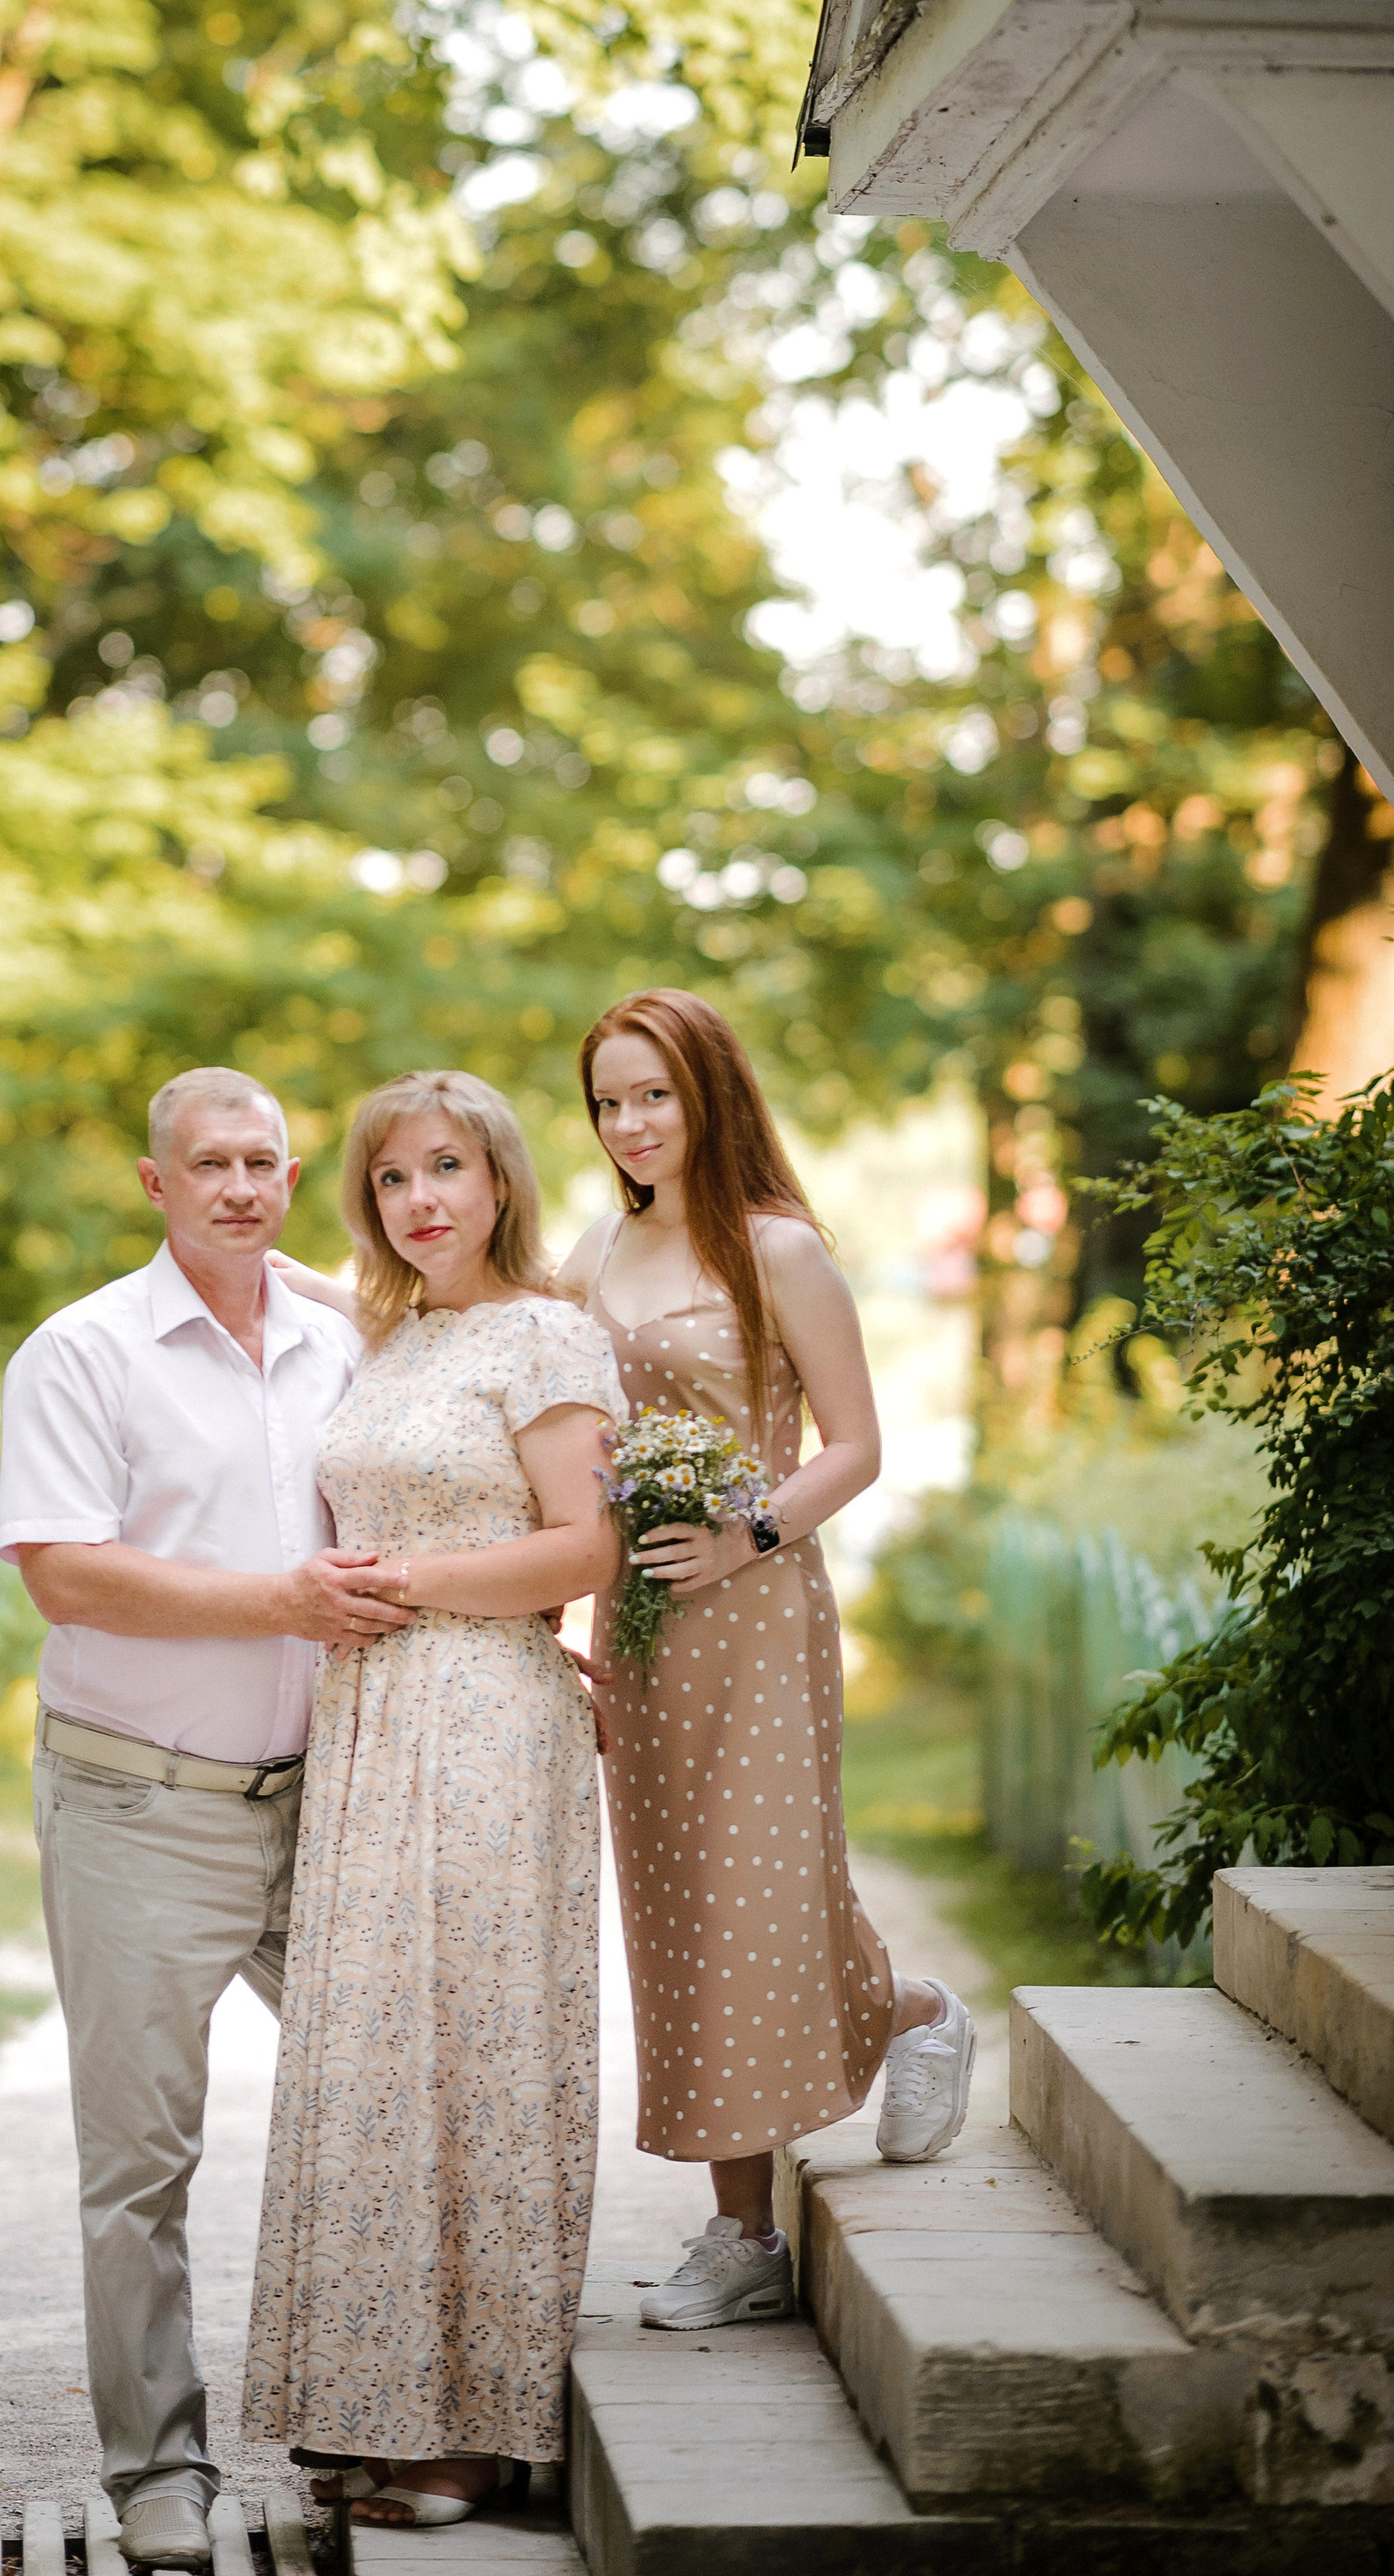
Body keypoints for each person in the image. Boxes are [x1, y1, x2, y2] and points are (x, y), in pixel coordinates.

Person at [0, 1067, 409, 2571]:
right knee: (142, 2159)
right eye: (208, 1163)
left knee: (390, 2100)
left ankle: (382, 2422)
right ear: (155, 1183)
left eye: (263, 1162)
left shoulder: (349, 1340)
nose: (238, 1186)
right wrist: (282, 1600)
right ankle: (159, 2469)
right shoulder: (82, 1351)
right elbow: (64, 1570)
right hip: (137, 1804)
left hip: (329, 1807)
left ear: (292, 1180)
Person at [560, 987, 975, 2335]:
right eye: (611, 1100)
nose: (630, 1124)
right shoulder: (594, 1250)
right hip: (637, 1616)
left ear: (710, 1094)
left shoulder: (777, 1247)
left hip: (757, 1606)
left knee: (756, 1884)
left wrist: (746, 1534)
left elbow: (855, 1445)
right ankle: (906, 2008)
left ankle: (742, 2233)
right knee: (682, 1905)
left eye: (654, 1094)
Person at [241, 1071, 625, 2528]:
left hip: (482, 1716)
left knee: (477, 2047)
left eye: (449, 1167)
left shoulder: (549, 1332)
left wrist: (401, 1585)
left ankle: (476, 2427)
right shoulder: (385, 1333)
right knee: (375, 2052)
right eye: (394, 1177)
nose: (423, 1200)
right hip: (371, 1717)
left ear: (502, 1179)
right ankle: (372, 2396)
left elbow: (581, 1549)